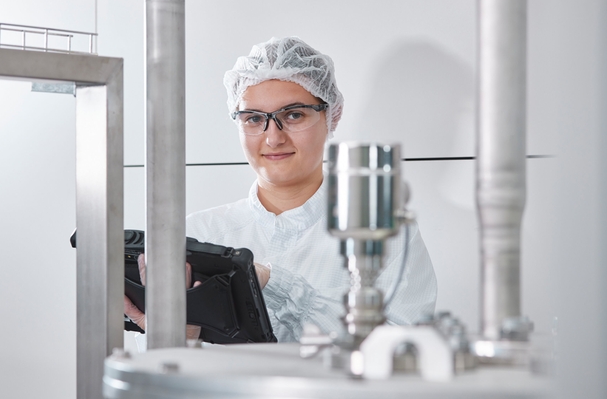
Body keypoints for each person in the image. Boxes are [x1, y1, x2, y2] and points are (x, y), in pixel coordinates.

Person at [125, 36, 437, 343]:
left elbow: (399, 352)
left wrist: (275, 284)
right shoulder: (197, 235)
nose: (273, 138)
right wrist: (179, 340)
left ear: (332, 116)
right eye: (253, 118)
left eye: (293, 114)